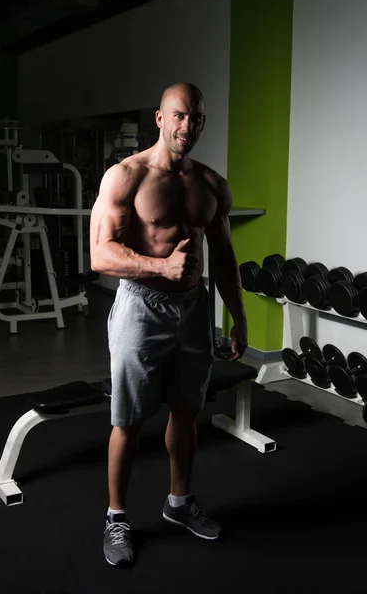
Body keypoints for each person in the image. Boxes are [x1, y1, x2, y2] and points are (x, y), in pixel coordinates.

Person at [90, 82, 248, 567]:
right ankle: (117, 517)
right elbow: (99, 254)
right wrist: (159, 268)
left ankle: (178, 503)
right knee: (129, 420)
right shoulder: (126, 177)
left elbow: (222, 254)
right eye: (179, 116)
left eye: (197, 119)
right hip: (142, 305)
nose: (188, 127)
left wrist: (237, 318)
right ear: (160, 119)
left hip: (194, 309)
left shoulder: (211, 184)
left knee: (186, 410)